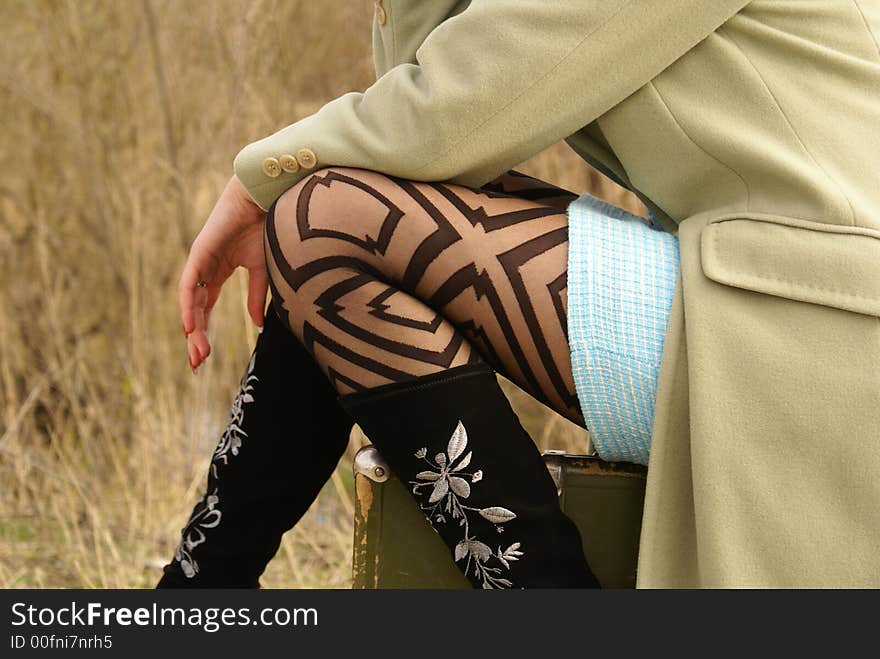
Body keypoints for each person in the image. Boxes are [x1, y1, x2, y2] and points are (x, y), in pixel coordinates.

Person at [160, 1, 880, 588]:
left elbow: (459, 108)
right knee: (331, 214)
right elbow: (422, 108)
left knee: (331, 219)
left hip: (821, 324)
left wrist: (259, 178)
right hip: (751, 284)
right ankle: (192, 599)